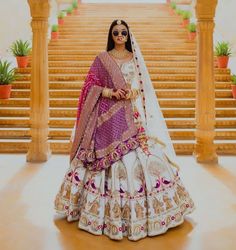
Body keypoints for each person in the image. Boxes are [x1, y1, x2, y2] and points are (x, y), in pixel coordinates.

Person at [54, 19, 195, 241]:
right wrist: (109, 92)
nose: (120, 35)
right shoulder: (102, 59)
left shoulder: (134, 57)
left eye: (123, 32)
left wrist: (131, 93)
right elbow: (89, 86)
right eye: (116, 32)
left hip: (131, 116)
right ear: (111, 34)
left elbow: (141, 86)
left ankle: (146, 214)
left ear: (128, 35)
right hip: (105, 117)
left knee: (144, 157)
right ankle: (94, 212)